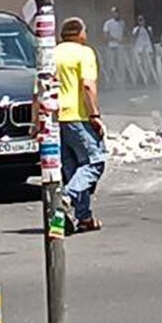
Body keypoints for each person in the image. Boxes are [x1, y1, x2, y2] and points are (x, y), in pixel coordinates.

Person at [54, 17, 105, 234]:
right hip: (78, 116)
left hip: (57, 119)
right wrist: (94, 114)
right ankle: (67, 197)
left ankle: (83, 217)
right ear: (79, 34)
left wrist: (36, 122)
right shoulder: (84, 53)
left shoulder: (52, 53)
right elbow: (87, 85)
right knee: (95, 162)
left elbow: (39, 87)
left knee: (74, 168)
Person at [101, 7, 127, 84]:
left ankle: (121, 80)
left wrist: (124, 39)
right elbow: (105, 35)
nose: (116, 14)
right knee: (111, 63)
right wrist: (115, 39)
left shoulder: (122, 23)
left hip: (120, 46)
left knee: (120, 63)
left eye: (117, 12)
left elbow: (125, 33)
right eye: (114, 12)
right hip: (111, 46)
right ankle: (110, 80)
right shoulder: (108, 23)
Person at [131, 14, 155, 84]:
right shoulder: (136, 29)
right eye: (139, 20)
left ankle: (148, 79)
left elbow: (151, 36)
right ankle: (138, 80)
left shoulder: (149, 28)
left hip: (147, 48)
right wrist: (139, 28)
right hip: (139, 48)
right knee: (139, 64)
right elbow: (134, 37)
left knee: (147, 64)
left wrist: (145, 27)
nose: (141, 21)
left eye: (142, 20)